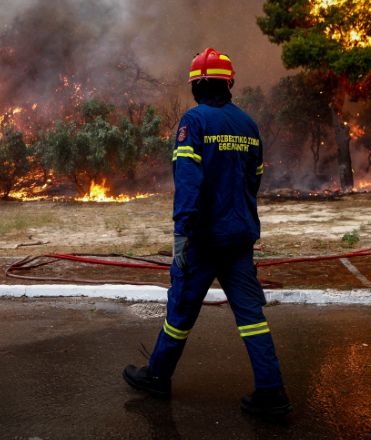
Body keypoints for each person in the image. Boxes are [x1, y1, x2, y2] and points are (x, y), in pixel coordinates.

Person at [122, 48, 291, 417]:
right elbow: (254, 180)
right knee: (251, 315)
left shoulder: (193, 121)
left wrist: (182, 232)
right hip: (240, 237)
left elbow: (188, 181)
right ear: (229, 84)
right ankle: (272, 392)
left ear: (196, 86)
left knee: (181, 308)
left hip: (203, 239)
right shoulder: (248, 125)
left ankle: (158, 376)